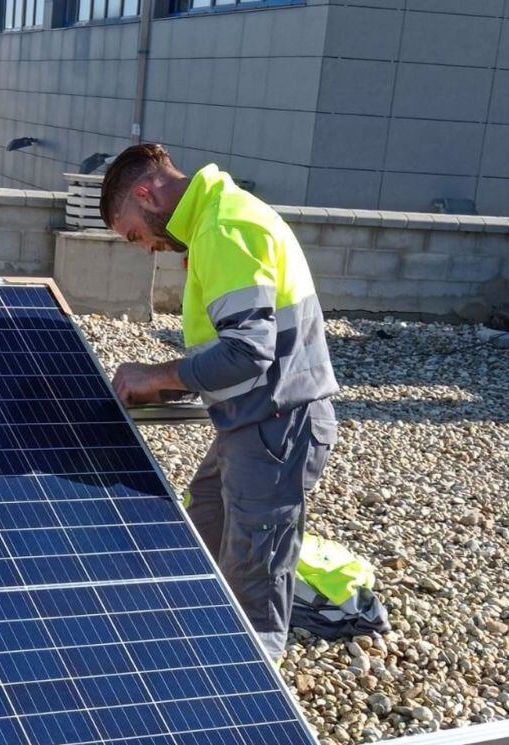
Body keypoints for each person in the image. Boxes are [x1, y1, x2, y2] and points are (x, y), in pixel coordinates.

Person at [100, 144, 339, 662]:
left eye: (136, 234)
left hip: (278, 424)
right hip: (253, 420)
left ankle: (249, 690)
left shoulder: (223, 227)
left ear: (145, 194)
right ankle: (198, 650)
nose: (146, 248)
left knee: (254, 570)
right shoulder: (217, 217)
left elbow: (248, 350)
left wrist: (157, 374)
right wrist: (166, 384)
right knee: (206, 519)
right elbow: (233, 347)